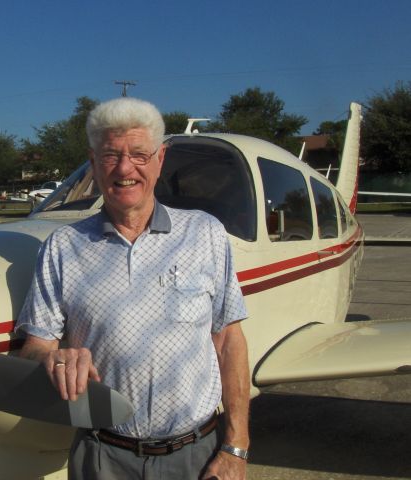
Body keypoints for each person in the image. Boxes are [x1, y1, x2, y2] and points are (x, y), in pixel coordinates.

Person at [16, 97, 250, 479]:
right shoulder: (62, 247)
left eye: (139, 154)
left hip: (198, 455)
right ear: (93, 164)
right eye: (111, 155)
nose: (125, 169)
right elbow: (35, 346)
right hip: (101, 456)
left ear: (161, 158)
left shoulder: (205, 233)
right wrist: (49, 359)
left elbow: (229, 342)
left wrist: (235, 447)